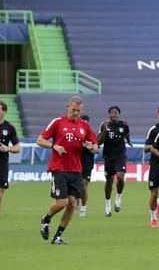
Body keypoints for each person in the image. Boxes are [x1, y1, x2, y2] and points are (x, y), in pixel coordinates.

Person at [37, 96, 98, 244]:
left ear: (81, 109)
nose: (75, 113)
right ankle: (46, 219)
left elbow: (95, 146)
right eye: (73, 110)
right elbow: (40, 140)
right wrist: (54, 146)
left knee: (72, 204)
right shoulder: (58, 122)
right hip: (59, 168)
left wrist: (91, 148)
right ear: (67, 107)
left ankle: (57, 236)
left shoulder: (85, 126)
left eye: (78, 110)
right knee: (62, 202)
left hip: (76, 170)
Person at [98, 105, 133, 216]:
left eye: (116, 112)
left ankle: (118, 197)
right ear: (109, 114)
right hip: (108, 157)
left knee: (120, 177)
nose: (114, 114)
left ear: (118, 114)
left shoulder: (124, 125)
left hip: (120, 156)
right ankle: (107, 204)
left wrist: (129, 141)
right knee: (109, 181)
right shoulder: (104, 125)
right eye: (112, 112)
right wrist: (104, 131)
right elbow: (99, 142)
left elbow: (126, 135)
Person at [0, 100, 21, 212]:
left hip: (2, 164)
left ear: (4, 111)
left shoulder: (9, 128)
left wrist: (7, 148)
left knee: (0, 192)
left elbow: (17, 148)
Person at [79, 114, 94, 217]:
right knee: (75, 186)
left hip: (87, 164)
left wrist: (91, 147)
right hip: (75, 163)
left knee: (84, 186)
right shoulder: (75, 133)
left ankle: (83, 208)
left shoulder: (91, 135)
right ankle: (75, 199)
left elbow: (96, 150)